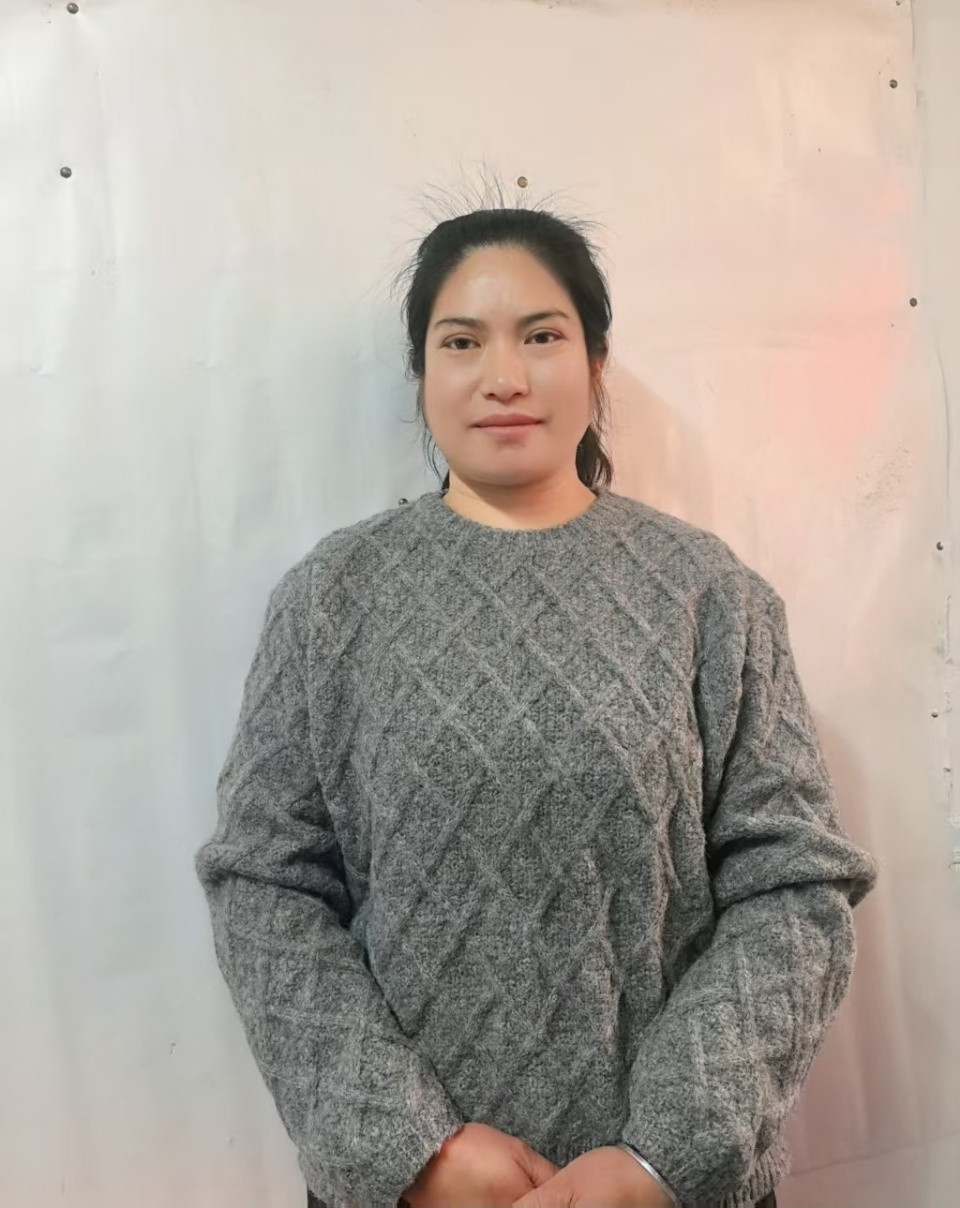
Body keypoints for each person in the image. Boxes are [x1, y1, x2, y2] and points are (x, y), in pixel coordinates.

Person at [194, 195, 879, 1208]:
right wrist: (412, 1148)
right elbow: (264, 885)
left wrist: (663, 1154)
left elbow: (794, 886)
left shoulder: (707, 594)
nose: (503, 375)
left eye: (542, 335)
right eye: (461, 340)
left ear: (597, 363)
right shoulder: (332, 598)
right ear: (422, 373)